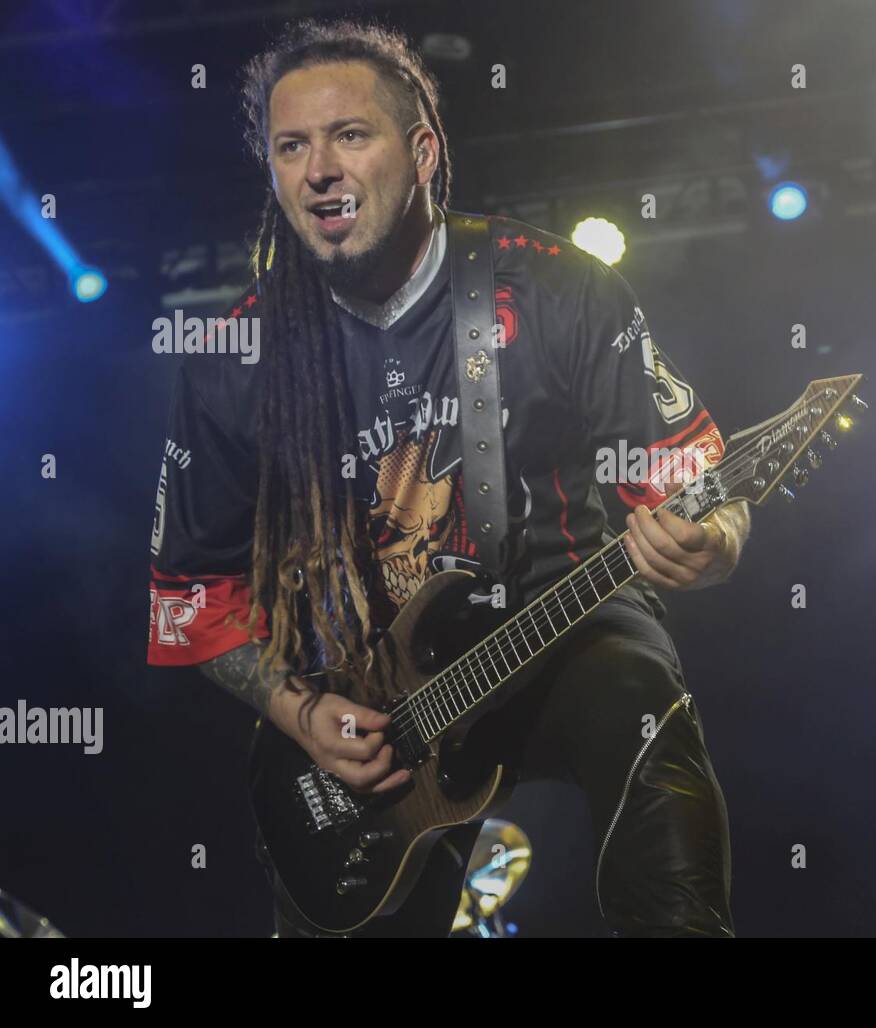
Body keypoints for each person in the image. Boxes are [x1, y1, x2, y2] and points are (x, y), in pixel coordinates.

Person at [145, 18, 750, 938]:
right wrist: (301, 714)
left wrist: (717, 539)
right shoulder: (235, 357)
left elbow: (689, 475)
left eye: (351, 135)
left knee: (636, 689)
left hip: (561, 633)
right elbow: (192, 592)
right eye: (291, 146)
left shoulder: (554, 288)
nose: (318, 170)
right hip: (367, 710)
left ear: (422, 150)